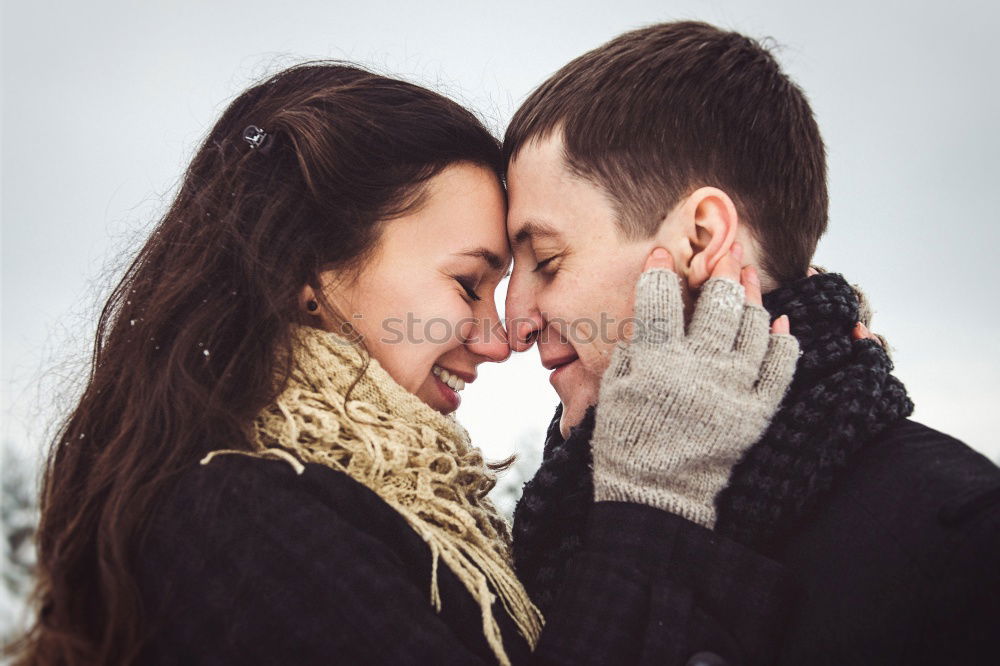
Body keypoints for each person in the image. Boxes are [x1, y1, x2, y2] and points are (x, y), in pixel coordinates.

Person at [13, 62, 803, 666]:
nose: (500, 340)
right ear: (307, 269)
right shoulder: (233, 518)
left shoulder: (382, 513)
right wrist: (653, 500)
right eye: (468, 283)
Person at [503, 21, 1000, 664]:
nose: (514, 321)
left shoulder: (965, 544)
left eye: (545, 260)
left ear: (701, 239)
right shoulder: (557, 521)